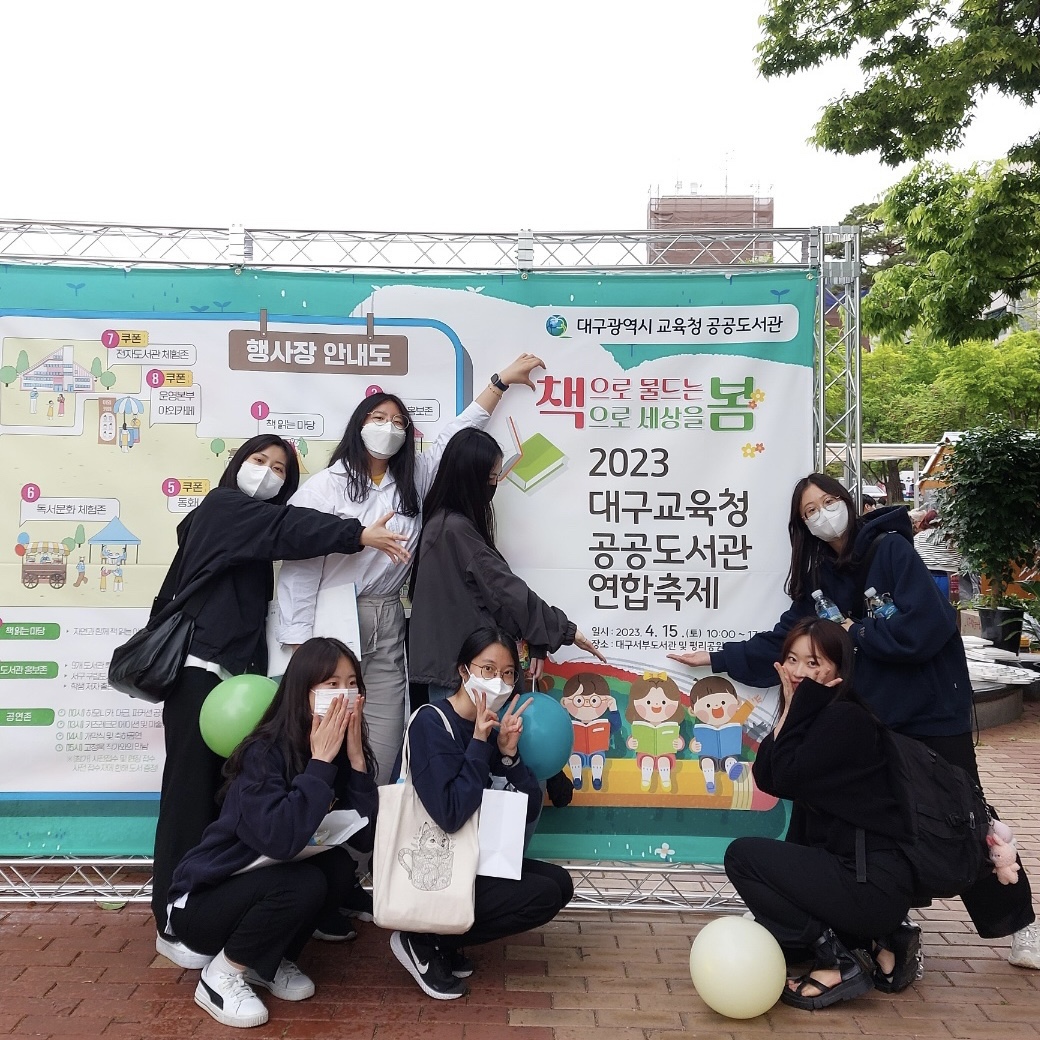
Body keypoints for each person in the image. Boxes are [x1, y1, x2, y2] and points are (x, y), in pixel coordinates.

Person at [669, 472, 1039, 971]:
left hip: (931, 714)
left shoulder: (892, 551)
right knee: (860, 821)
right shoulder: (820, 577)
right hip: (873, 722)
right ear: (802, 525)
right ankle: (885, 930)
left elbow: (928, 626)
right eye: (809, 511)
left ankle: (1019, 925)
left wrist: (856, 633)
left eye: (828, 501)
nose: (822, 514)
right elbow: (790, 641)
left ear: (846, 501)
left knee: (962, 815)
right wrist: (717, 657)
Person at [151, 433, 409, 968]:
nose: (268, 473)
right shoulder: (222, 508)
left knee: (228, 801)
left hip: (235, 680)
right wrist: (357, 534)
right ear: (236, 464)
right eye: (259, 460)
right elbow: (287, 528)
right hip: (199, 674)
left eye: (279, 469)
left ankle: (229, 914)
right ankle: (172, 918)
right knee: (188, 795)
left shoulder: (248, 529)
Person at [276, 354, 546, 784]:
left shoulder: (413, 477)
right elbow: (300, 568)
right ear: (358, 425)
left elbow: (452, 440)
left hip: (388, 617)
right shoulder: (325, 487)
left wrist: (499, 384)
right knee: (325, 732)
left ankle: (373, 816)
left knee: (385, 735)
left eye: (399, 422)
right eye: (378, 418)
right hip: (333, 617)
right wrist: (299, 644)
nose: (389, 428)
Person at [167, 637, 378, 1029]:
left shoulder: (340, 751)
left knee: (336, 869)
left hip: (262, 882)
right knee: (301, 884)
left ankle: (267, 961)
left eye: (352, 684)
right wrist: (320, 763)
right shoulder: (264, 752)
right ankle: (220, 976)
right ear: (302, 691)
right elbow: (281, 839)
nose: (344, 695)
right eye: (331, 684)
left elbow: (364, 839)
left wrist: (355, 760)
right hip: (204, 901)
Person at [725, 618, 916, 1009]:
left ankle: (838, 962)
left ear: (838, 670)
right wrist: (790, 708)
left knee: (742, 856)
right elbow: (767, 776)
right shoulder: (821, 715)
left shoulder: (845, 719)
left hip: (869, 883)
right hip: (853, 877)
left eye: (814, 663)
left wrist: (796, 706)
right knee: (785, 940)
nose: (798, 672)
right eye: (792, 660)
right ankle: (881, 943)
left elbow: (785, 776)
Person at [389, 627, 574, 999]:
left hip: (472, 856)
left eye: (507, 674)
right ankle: (422, 938)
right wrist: (477, 742)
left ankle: (443, 937)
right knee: (540, 894)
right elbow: (450, 813)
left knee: (557, 884)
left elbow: (527, 810)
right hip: (432, 864)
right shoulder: (431, 722)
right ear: (463, 671)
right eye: (487, 669)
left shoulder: (492, 727)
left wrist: (508, 755)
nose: (497, 682)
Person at [409, 427, 606, 701]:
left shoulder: (442, 525)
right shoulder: (455, 529)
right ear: (469, 478)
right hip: (464, 676)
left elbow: (493, 596)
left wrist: (538, 640)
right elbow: (503, 590)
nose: (494, 484)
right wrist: (564, 630)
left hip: (455, 669)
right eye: (491, 477)